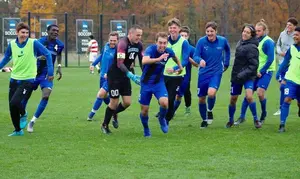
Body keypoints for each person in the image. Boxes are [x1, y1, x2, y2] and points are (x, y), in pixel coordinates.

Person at [0, 22, 53, 136]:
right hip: (14, 79)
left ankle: (23, 113)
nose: (25, 35)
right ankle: (18, 130)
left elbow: (47, 54)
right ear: (17, 33)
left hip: (28, 80)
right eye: (22, 32)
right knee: (12, 106)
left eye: (27, 33)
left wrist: (50, 71)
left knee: (15, 102)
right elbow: (6, 58)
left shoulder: (33, 43)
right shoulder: (12, 44)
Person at [101, 25, 143, 134]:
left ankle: (114, 113)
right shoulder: (122, 43)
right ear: (131, 34)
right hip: (114, 76)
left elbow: (142, 61)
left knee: (127, 102)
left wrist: (145, 75)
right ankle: (105, 125)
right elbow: (120, 63)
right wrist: (130, 75)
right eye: (137, 35)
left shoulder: (139, 45)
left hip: (125, 76)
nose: (139, 37)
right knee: (114, 102)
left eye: (140, 35)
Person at [139, 32, 183, 137]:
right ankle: (146, 129)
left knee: (164, 103)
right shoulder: (151, 49)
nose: (162, 45)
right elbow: (144, 60)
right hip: (146, 84)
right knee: (144, 111)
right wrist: (158, 59)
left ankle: (161, 118)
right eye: (160, 43)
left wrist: (180, 67)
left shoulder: (168, 51)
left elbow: (175, 57)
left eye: (164, 43)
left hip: (159, 83)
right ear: (156, 42)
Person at [236, 19, 275, 125]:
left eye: (259, 31)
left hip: (266, 71)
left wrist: (261, 71)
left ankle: (263, 113)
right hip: (255, 72)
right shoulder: (255, 41)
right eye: (256, 31)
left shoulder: (268, 42)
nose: (256, 33)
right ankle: (242, 116)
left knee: (260, 93)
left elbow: (270, 59)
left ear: (264, 31)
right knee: (249, 94)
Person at [26, 24, 64, 133]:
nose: (55, 32)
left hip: (47, 74)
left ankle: (33, 121)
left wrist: (59, 67)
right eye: (53, 30)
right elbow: (30, 55)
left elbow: (59, 54)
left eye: (57, 31)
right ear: (47, 31)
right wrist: (38, 57)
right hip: (34, 73)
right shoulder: (38, 42)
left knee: (46, 95)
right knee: (26, 96)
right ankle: (23, 115)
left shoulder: (60, 44)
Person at [193, 21, 231, 128]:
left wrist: (226, 63)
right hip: (203, 73)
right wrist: (199, 60)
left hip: (216, 72)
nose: (209, 33)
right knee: (201, 98)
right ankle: (204, 120)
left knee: (211, 93)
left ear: (216, 31)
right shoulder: (201, 42)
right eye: (207, 31)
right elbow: (196, 55)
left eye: (212, 31)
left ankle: (209, 110)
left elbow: (227, 51)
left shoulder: (222, 41)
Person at [226, 24, 261, 128]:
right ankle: (230, 120)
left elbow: (254, 65)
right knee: (233, 99)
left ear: (251, 35)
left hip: (248, 76)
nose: (244, 34)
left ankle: (256, 120)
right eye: (244, 31)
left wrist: (243, 74)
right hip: (237, 76)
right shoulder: (239, 43)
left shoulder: (253, 48)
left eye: (247, 32)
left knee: (249, 96)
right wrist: (237, 74)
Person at [156, 18, 190, 124]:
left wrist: (175, 68)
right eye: (170, 28)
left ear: (179, 29)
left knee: (170, 99)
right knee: (161, 98)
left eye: (174, 27)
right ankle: (163, 115)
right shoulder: (164, 41)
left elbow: (184, 61)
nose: (172, 30)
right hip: (163, 75)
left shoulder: (184, 42)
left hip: (177, 75)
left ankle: (166, 120)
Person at [87, 32, 119, 126]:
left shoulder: (119, 51)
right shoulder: (106, 46)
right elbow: (101, 56)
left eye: (114, 40)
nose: (112, 42)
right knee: (105, 98)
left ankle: (91, 115)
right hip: (102, 76)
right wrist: (93, 64)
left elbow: (119, 65)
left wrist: (110, 74)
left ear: (118, 40)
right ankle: (115, 113)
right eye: (111, 40)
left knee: (100, 94)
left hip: (111, 78)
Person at [276, 26, 300, 132]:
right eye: (294, 34)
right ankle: (282, 125)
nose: (294, 36)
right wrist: (279, 75)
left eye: (297, 35)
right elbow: (285, 63)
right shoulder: (292, 48)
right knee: (287, 99)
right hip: (291, 79)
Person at [274, 17, 299, 116]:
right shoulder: (282, 34)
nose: (288, 26)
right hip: (282, 63)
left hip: (293, 66)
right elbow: (278, 45)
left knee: (287, 87)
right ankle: (281, 108)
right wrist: (281, 52)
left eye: (290, 25)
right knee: (282, 87)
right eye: (287, 24)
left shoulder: (297, 36)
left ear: (294, 27)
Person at [173, 26, 197, 116]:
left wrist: (187, 58)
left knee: (181, 94)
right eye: (181, 35)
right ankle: (167, 111)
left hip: (185, 76)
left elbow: (196, 64)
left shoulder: (191, 49)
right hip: (173, 74)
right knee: (170, 94)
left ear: (188, 37)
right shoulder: (173, 45)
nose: (183, 37)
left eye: (185, 35)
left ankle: (183, 109)